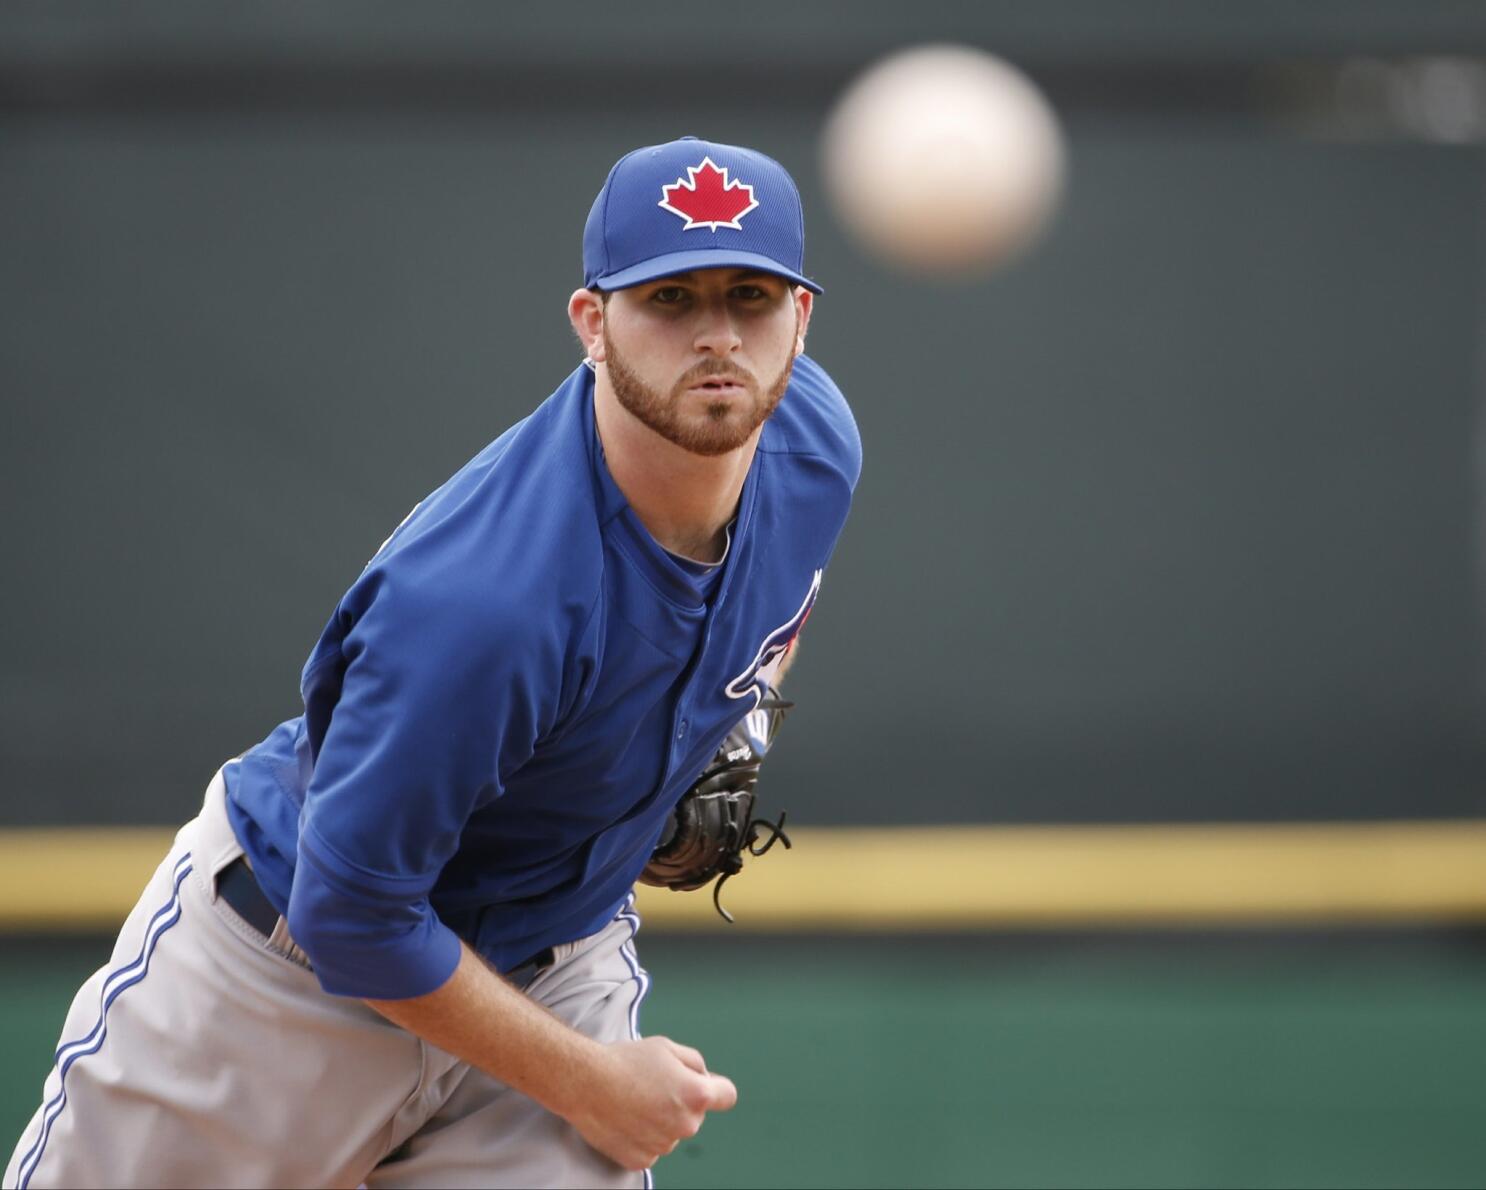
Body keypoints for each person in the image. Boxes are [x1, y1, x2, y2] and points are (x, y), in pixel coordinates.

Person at [5, 135, 860, 1190]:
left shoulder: (814, 447)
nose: (717, 335)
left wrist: (738, 722)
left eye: (751, 295)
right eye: (670, 299)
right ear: (593, 324)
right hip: (279, 982)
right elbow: (355, 917)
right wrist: (592, 1082)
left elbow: (778, 607)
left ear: (802, 318)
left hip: (553, 952)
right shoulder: (487, 601)